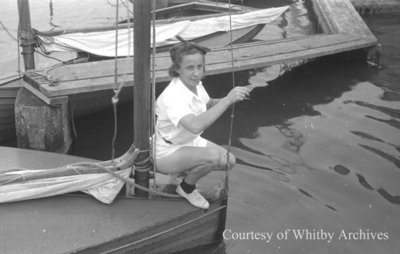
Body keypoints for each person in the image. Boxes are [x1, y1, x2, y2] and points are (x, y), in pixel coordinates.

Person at [154, 40, 250, 209]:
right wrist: (227, 100)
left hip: (189, 141)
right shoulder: (172, 97)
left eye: (200, 67)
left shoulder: (196, 84)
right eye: (190, 68)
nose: (196, 73)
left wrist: (234, 98)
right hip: (167, 151)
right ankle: (186, 188)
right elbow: (195, 126)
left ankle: (181, 173)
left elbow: (208, 103)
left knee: (230, 161)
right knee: (212, 157)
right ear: (177, 69)